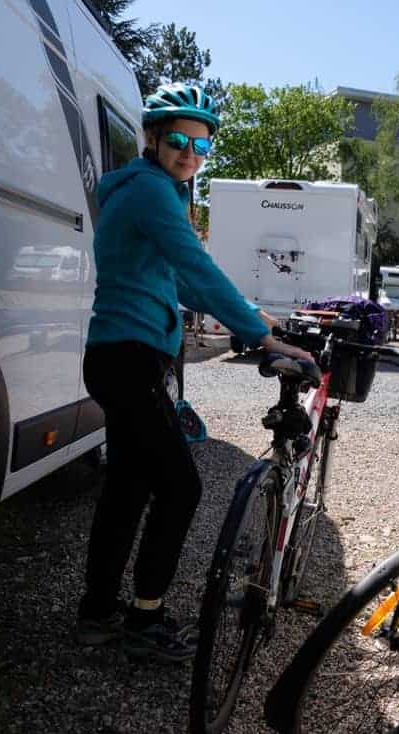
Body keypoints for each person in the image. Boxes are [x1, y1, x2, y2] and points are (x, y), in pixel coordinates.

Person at [78, 83, 311, 661]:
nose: (190, 154)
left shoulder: (144, 189)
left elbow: (179, 281)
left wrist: (254, 318)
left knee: (128, 488)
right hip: (130, 359)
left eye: (201, 146)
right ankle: (145, 618)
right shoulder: (153, 192)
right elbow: (198, 268)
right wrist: (262, 336)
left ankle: (97, 613)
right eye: (179, 141)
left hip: (120, 357)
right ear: (153, 139)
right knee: (181, 487)